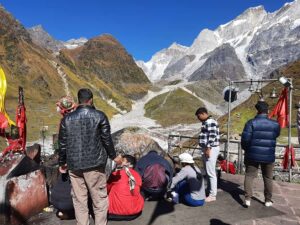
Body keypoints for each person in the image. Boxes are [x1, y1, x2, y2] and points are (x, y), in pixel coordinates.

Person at [58, 88, 122, 225]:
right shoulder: (100, 116)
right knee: (99, 200)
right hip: (95, 165)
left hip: (74, 166)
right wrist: (114, 156)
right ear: (91, 100)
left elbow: (62, 144)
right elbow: (106, 139)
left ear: (78, 101)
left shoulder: (66, 119)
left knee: (79, 201)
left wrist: (62, 162)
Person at [241, 100, 280, 207]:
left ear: (257, 111)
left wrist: (247, 150)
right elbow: (275, 135)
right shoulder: (275, 124)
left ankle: (247, 199)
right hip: (268, 155)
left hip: (252, 155)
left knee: (249, 176)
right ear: (267, 111)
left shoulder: (250, 123)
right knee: (267, 177)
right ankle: (268, 200)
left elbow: (245, 140)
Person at [107, 155, 144, 220]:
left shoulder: (116, 174)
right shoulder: (138, 175)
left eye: (122, 160)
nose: (119, 161)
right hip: (134, 213)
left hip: (113, 214)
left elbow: (106, 189)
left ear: (129, 164)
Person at [195, 107, 220, 202]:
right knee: (208, 171)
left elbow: (212, 135)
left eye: (198, 116)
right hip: (207, 148)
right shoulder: (206, 122)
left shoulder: (211, 122)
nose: (198, 118)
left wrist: (208, 148)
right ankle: (210, 191)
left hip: (210, 149)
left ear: (203, 114)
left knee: (211, 172)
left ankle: (213, 195)